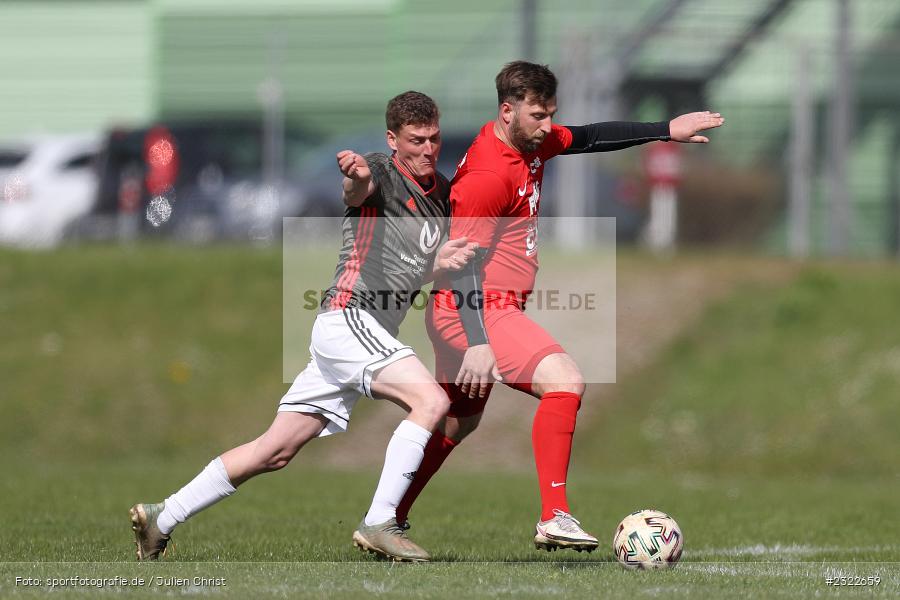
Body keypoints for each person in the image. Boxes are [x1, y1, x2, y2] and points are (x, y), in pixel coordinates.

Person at [129, 91, 477, 563]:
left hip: (359, 333)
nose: (428, 149)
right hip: (350, 318)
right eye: (416, 140)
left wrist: (439, 263)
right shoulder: (380, 171)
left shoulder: (441, 196)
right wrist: (354, 179)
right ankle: (380, 521)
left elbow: (407, 267)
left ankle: (161, 517)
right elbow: (357, 190)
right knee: (431, 400)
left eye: (434, 138)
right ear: (393, 140)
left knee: (275, 450)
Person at [392, 61, 725, 552]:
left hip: (479, 307)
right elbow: (460, 268)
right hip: (477, 307)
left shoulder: (528, 140)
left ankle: (387, 517)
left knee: (457, 420)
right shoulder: (487, 175)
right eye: (537, 115)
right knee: (565, 381)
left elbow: (590, 136)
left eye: (551, 114)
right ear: (507, 111)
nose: (548, 126)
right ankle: (555, 515)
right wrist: (479, 342)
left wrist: (665, 131)